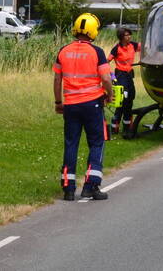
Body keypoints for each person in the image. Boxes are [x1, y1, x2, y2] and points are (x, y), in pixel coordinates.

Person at [54, 13, 113, 202]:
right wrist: (109, 95)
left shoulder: (63, 50)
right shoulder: (97, 52)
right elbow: (105, 78)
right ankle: (91, 186)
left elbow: (57, 79)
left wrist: (58, 102)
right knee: (96, 143)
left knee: (71, 144)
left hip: (70, 105)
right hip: (92, 104)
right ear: (93, 31)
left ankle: (68, 189)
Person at [108, 27, 140, 136]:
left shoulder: (133, 45)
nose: (129, 36)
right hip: (120, 75)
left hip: (129, 75)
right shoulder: (116, 49)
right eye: (127, 35)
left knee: (130, 97)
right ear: (121, 37)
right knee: (123, 100)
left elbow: (145, 47)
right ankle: (115, 126)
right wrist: (111, 76)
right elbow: (105, 62)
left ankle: (127, 126)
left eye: (130, 34)